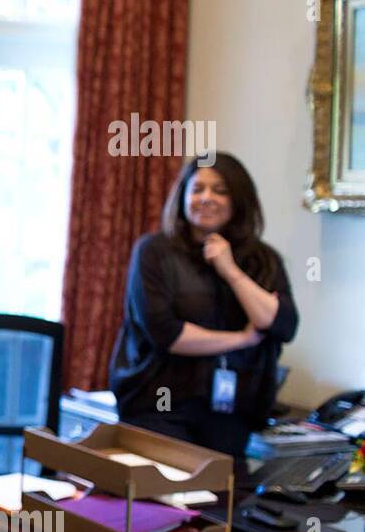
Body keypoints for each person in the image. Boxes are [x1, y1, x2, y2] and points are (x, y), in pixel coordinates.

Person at [109, 152, 298, 483]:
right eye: (197, 189)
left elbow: (281, 325)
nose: (206, 198)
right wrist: (241, 339)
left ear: (238, 199)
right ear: (183, 196)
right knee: (165, 508)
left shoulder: (264, 260)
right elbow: (167, 334)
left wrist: (229, 269)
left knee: (221, 512)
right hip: (161, 408)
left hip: (231, 413)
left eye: (220, 190)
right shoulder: (154, 252)